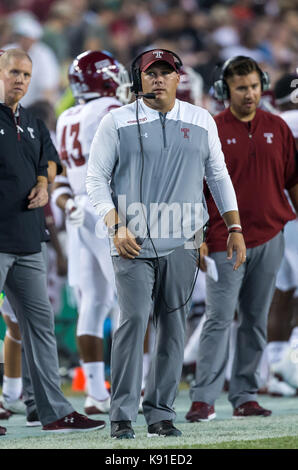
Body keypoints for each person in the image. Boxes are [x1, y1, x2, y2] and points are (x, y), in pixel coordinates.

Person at [86, 48, 246, 439]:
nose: (158, 78)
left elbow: (219, 177)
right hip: (131, 241)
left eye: (165, 72)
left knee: (173, 326)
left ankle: (160, 413)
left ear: (178, 78)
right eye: (150, 73)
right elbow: (95, 180)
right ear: (137, 79)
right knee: (134, 320)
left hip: (184, 241)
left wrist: (235, 228)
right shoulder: (116, 121)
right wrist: (115, 225)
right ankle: (122, 414)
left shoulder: (200, 119)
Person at [185, 56, 298, 423]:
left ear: (262, 84)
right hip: (223, 239)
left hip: (270, 235)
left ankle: (245, 394)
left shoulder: (277, 127)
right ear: (225, 91)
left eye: (253, 86)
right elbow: (194, 188)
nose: (250, 94)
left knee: (254, 318)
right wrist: (198, 235)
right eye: (241, 88)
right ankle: (203, 397)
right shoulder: (211, 129)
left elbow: (292, 180)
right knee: (219, 317)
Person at [0, 48, 106, 434]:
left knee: (39, 326)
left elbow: (49, 159)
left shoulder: (31, 121)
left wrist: (44, 184)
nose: (20, 80)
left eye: (26, 75)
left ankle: (53, 411)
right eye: (13, 72)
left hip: (28, 239)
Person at [52, 50, 132, 415]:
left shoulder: (67, 115)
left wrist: (68, 203)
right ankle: (139, 385)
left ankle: (96, 392)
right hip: (108, 207)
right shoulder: (109, 112)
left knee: (91, 303)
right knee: (130, 299)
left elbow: (63, 175)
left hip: (77, 210)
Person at [260, 72, 298, 395]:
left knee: (282, 294)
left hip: (274, 216)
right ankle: (291, 364)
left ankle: (274, 371)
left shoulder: (269, 122)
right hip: (296, 213)